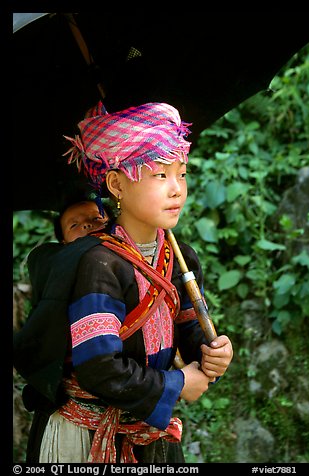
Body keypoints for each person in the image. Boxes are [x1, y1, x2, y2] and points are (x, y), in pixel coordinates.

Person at [14, 101, 233, 464]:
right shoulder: (99, 263)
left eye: (182, 173)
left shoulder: (181, 257)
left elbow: (190, 330)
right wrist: (177, 384)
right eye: (160, 175)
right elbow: (99, 367)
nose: (177, 189)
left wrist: (212, 355)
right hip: (86, 436)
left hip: (150, 430)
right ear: (116, 184)